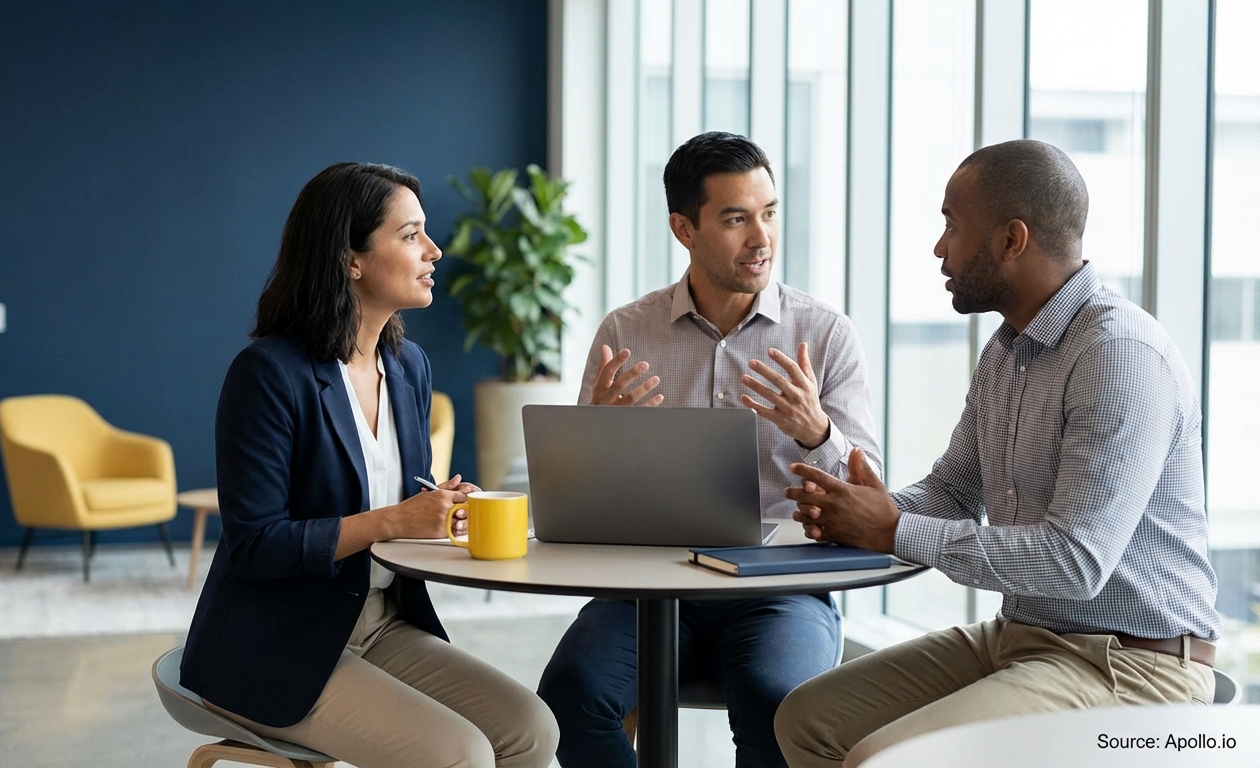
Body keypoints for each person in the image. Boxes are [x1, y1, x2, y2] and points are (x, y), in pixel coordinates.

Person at [773, 139, 1220, 767]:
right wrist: (867, 508)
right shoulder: (1006, 351)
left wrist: (895, 528)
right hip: (1026, 638)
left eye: (951, 226)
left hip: (1133, 667)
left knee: (886, 758)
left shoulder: (1117, 354)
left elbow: (1077, 561)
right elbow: (953, 492)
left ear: (1013, 239)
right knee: (807, 720)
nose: (938, 248)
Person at [180, 162, 558, 767]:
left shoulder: (408, 367)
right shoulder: (268, 376)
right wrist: (391, 521)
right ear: (349, 258)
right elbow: (255, 544)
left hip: (378, 622)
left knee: (531, 729)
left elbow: (406, 496)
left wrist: (443, 509)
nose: (433, 250)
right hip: (274, 642)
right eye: (410, 235)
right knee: (458, 755)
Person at [536, 132, 882, 768]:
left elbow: (873, 496)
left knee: (778, 701)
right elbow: (573, 499)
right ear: (683, 228)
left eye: (769, 213)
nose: (761, 239)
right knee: (569, 694)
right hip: (644, 585)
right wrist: (595, 437)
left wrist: (817, 432)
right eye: (735, 219)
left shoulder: (824, 333)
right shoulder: (625, 331)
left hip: (781, 591)